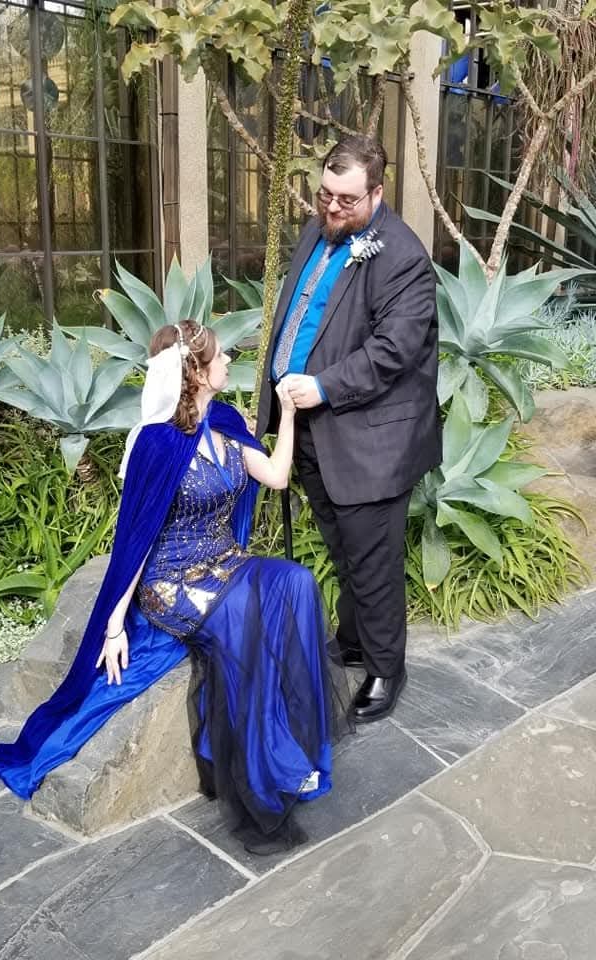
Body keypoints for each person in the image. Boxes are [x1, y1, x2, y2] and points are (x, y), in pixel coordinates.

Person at [0, 320, 349, 855]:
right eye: (221, 357)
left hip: (225, 562)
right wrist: (114, 624)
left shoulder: (226, 421)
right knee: (245, 623)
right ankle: (265, 773)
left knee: (296, 585)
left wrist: (291, 414)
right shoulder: (157, 444)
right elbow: (134, 539)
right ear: (195, 372)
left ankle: (294, 746)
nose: (229, 361)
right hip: (173, 583)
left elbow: (275, 475)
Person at [256, 134, 442, 723]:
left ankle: (387, 668)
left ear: (378, 193)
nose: (333, 208)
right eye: (325, 194)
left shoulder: (403, 257)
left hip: (369, 440)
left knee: (373, 558)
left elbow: (394, 351)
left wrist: (325, 386)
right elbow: (300, 311)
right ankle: (357, 640)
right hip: (310, 427)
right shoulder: (320, 231)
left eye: (347, 200)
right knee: (342, 547)